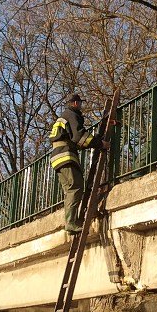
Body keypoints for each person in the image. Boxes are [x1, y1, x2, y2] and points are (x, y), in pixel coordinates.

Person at [49, 94, 108, 234]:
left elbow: (77, 141)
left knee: (70, 190)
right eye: (80, 103)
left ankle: (71, 222)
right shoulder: (72, 115)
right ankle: (71, 223)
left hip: (58, 157)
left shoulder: (64, 116)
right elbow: (79, 136)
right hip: (65, 155)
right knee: (75, 187)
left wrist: (93, 141)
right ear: (75, 103)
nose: (81, 106)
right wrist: (100, 143)